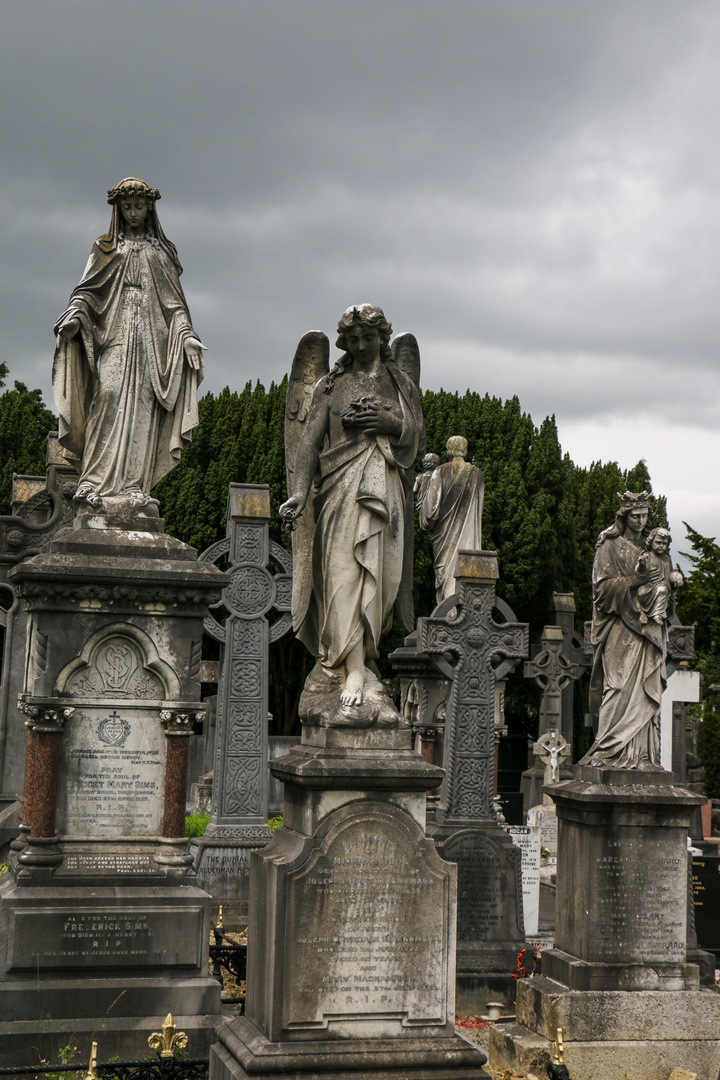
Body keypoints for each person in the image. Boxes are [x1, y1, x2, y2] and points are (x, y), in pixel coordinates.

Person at [280, 304, 425, 707]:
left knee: (380, 582)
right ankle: (353, 667)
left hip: (386, 493)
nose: (362, 346)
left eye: (369, 338)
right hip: (339, 494)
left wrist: (390, 424)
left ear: (382, 338)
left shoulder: (401, 385)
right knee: (344, 578)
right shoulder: (329, 385)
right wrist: (297, 492)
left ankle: (364, 663)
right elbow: (308, 442)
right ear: (345, 342)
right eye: (354, 339)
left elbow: (418, 439)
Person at [52, 177, 205, 509]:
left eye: (139, 206)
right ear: (118, 210)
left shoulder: (161, 252)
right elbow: (86, 294)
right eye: (127, 207)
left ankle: (134, 487)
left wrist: (188, 336)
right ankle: (93, 481)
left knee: (143, 410)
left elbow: (175, 306)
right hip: (116, 335)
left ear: (149, 209)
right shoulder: (105, 248)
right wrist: (74, 316)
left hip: (153, 342)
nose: (133, 213)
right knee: (107, 395)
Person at [580, 491, 674, 770]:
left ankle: (642, 756)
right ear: (624, 516)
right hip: (620, 626)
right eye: (635, 515)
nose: (641, 520)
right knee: (617, 685)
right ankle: (607, 750)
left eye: (645, 515)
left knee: (646, 688)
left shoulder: (656, 550)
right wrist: (634, 580)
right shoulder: (609, 545)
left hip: (648, 629)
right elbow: (601, 591)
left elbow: (666, 588)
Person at [417, 435, 484, 604]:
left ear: (449, 450)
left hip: (444, 539)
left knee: (447, 579)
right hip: (471, 544)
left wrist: (423, 516)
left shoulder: (441, 471)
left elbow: (431, 512)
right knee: (466, 580)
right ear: (465, 450)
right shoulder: (477, 475)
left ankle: (449, 618)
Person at [635, 527, 684, 625]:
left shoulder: (667, 559)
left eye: (664, 543)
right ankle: (657, 614)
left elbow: (670, 575)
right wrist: (641, 564)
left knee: (663, 590)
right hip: (647, 590)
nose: (661, 546)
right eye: (658, 542)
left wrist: (676, 579)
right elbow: (639, 574)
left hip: (663, 592)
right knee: (662, 589)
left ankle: (660, 613)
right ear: (651, 542)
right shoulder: (647, 556)